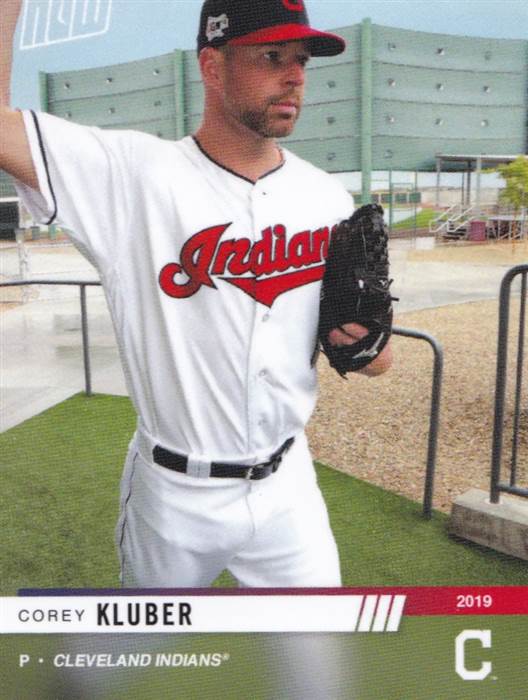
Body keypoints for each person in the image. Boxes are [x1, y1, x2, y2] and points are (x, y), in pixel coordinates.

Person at [0, 0, 392, 588]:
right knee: (141, 641)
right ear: (212, 66)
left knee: (320, 646)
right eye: (272, 57)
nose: (294, 77)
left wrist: (362, 345)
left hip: (289, 488)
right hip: (175, 495)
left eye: (302, 60)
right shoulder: (131, 175)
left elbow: (378, 361)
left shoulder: (327, 199)